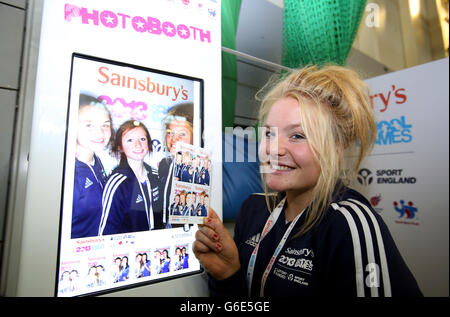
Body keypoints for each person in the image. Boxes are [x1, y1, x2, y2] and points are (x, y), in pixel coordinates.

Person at [193, 65, 423, 297]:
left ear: (337, 146)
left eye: (297, 136)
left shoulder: (347, 224)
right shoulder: (253, 209)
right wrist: (228, 275)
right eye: (269, 133)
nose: (274, 149)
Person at [99, 120, 163, 235]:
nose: (138, 145)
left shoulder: (155, 175)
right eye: (130, 140)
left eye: (142, 139)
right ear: (120, 147)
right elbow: (106, 231)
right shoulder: (117, 183)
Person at [71, 93, 113, 239]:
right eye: (89, 125)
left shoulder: (97, 162)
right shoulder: (68, 173)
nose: (100, 132)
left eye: (105, 125)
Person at [158, 103, 194, 227]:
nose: (174, 139)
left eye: (182, 134)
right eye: (170, 133)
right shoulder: (164, 165)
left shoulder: (199, 171)